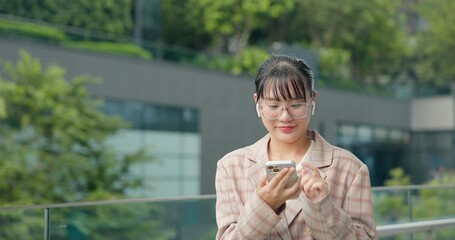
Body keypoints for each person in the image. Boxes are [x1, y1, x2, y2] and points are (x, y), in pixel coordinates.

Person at [215, 55, 377, 239]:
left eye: (296, 104)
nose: (285, 117)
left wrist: (322, 206)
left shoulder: (351, 168)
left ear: (312, 99)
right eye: (273, 105)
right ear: (257, 103)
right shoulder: (230, 167)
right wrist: (264, 204)